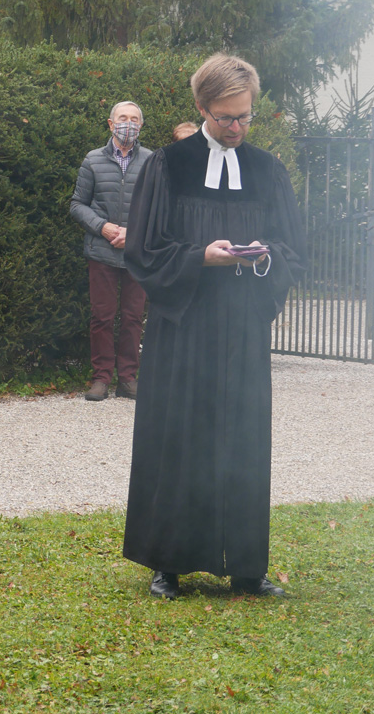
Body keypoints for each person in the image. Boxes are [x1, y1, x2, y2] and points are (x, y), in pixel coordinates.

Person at [122, 54, 306, 599]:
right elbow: (143, 249)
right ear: (202, 108)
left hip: (244, 327)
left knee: (244, 439)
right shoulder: (168, 165)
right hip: (184, 325)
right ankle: (169, 564)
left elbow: (294, 249)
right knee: (179, 437)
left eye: (246, 117)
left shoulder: (268, 170)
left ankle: (248, 568)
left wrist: (262, 257)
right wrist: (201, 257)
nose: (237, 128)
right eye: (227, 118)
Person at [70, 101, 152, 401]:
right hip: (101, 252)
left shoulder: (153, 161)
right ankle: (101, 379)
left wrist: (134, 234)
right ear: (110, 123)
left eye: (133, 119)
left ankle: (128, 379)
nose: (127, 124)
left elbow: (159, 209)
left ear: (140, 125)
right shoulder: (92, 160)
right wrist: (102, 227)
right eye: (122, 118)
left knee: (133, 318)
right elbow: (77, 204)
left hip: (137, 254)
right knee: (102, 317)